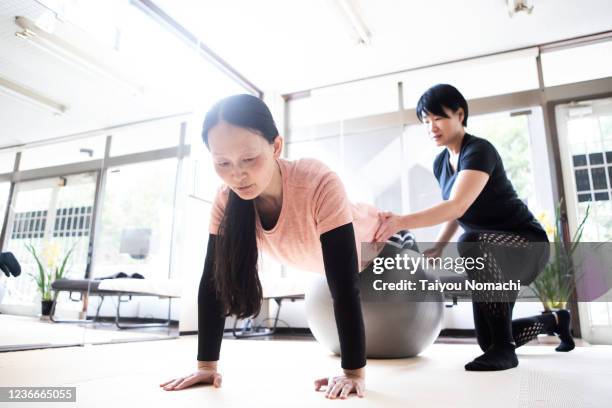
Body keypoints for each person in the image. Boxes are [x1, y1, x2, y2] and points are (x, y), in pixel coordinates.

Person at [159, 94, 413, 399]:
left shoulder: (318, 181)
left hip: (386, 248)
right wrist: (206, 366)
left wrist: (352, 373)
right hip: (335, 268)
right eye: (222, 163)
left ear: (276, 146)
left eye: (249, 159)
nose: (237, 174)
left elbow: (344, 286)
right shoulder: (226, 200)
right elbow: (214, 281)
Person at [374, 84, 575, 371]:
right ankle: (555, 321)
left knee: (472, 242)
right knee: (488, 341)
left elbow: (457, 205)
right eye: (425, 121)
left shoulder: (479, 150)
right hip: (489, 251)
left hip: (525, 245)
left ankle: (506, 351)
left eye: (438, 118)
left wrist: (401, 221)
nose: (432, 126)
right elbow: (459, 212)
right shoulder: (441, 162)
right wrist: (440, 246)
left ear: (459, 114)